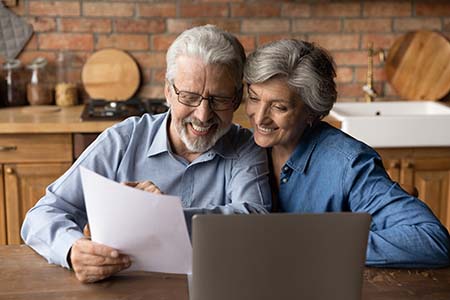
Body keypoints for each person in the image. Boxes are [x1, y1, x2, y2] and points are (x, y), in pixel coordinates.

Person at [21, 25, 271, 283]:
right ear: (167, 91)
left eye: (219, 99)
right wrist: (71, 249)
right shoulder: (122, 140)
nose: (203, 115)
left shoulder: (246, 148)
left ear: (237, 97)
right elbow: (41, 215)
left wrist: (160, 217)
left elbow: (254, 222)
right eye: (189, 97)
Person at [243, 39, 450, 268]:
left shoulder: (348, 163)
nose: (259, 117)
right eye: (253, 98)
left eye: (279, 107)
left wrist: (320, 246)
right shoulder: (243, 148)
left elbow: (432, 240)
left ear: (311, 112)